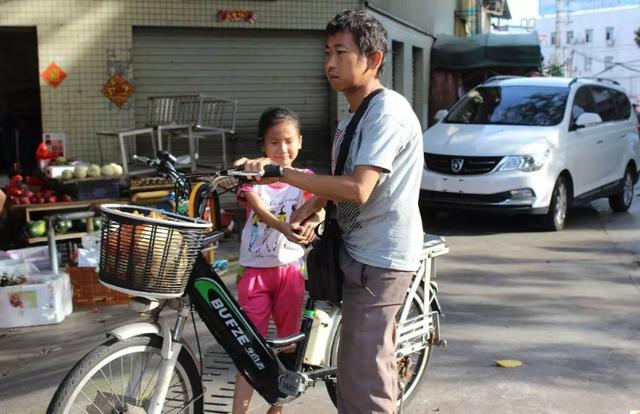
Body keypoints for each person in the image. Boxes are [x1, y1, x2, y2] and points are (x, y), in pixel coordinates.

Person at [236, 9, 424, 414]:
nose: (330, 63)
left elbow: (358, 188)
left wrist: (282, 172)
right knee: (349, 366)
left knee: (368, 372)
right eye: (327, 52)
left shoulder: (386, 113)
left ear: (373, 60)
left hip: (383, 257)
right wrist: (305, 213)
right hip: (355, 251)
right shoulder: (351, 118)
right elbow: (336, 183)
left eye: (341, 52)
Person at [232, 107, 323, 414]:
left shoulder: (306, 180)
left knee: (287, 344)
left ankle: (277, 408)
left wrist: (314, 219)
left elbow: (319, 206)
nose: (282, 149)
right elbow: (259, 209)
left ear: (299, 141)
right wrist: (284, 226)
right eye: (274, 142)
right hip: (254, 274)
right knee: (249, 348)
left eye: (288, 141)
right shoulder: (253, 179)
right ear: (263, 145)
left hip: (291, 273)